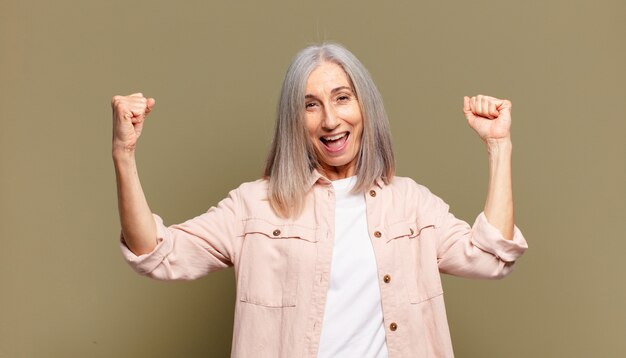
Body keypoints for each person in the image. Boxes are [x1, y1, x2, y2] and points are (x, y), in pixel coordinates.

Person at [111, 43, 527, 358]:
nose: (330, 120)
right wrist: (124, 155)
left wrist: (499, 146)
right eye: (310, 105)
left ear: (365, 107)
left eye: (342, 98)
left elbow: (491, 256)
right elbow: (156, 254)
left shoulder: (412, 205)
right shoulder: (253, 206)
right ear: (295, 120)